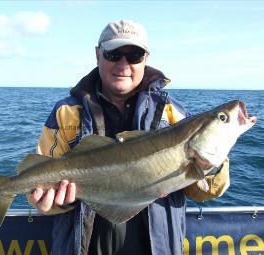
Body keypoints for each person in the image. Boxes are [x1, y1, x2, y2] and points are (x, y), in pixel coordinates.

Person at [27, 20, 230, 255]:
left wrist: (212, 168)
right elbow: (37, 189)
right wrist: (50, 202)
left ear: (146, 59)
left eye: (134, 55)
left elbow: (200, 192)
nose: (123, 64)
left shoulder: (174, 114)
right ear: (97, 54)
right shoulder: (65, 113)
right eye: (113, 54)